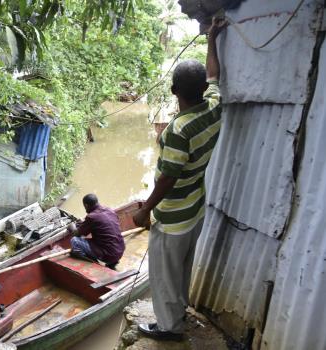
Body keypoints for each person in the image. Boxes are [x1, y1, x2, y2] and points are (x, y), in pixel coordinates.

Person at [132, 18, 226, 341]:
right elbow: (214, 75)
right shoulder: (214, 108)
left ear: (174, 91)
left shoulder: (178, 130)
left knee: (164, 276)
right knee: (183, 269)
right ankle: (179, 311)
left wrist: (146, 211)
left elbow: (169, 177)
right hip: (196, 210)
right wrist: (212, 39)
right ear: (201, 90)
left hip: (172, 220)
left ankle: (169, 327)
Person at [68, 194, 125, 270]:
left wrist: (72, 226)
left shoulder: (91, 217)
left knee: (75, 241)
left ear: (86, 205)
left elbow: (77, 234)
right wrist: (84, 223)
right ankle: (112, 263)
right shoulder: (109, 210)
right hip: (120, 250)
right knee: (98, 239)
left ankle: (93, 262)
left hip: (108, 254)